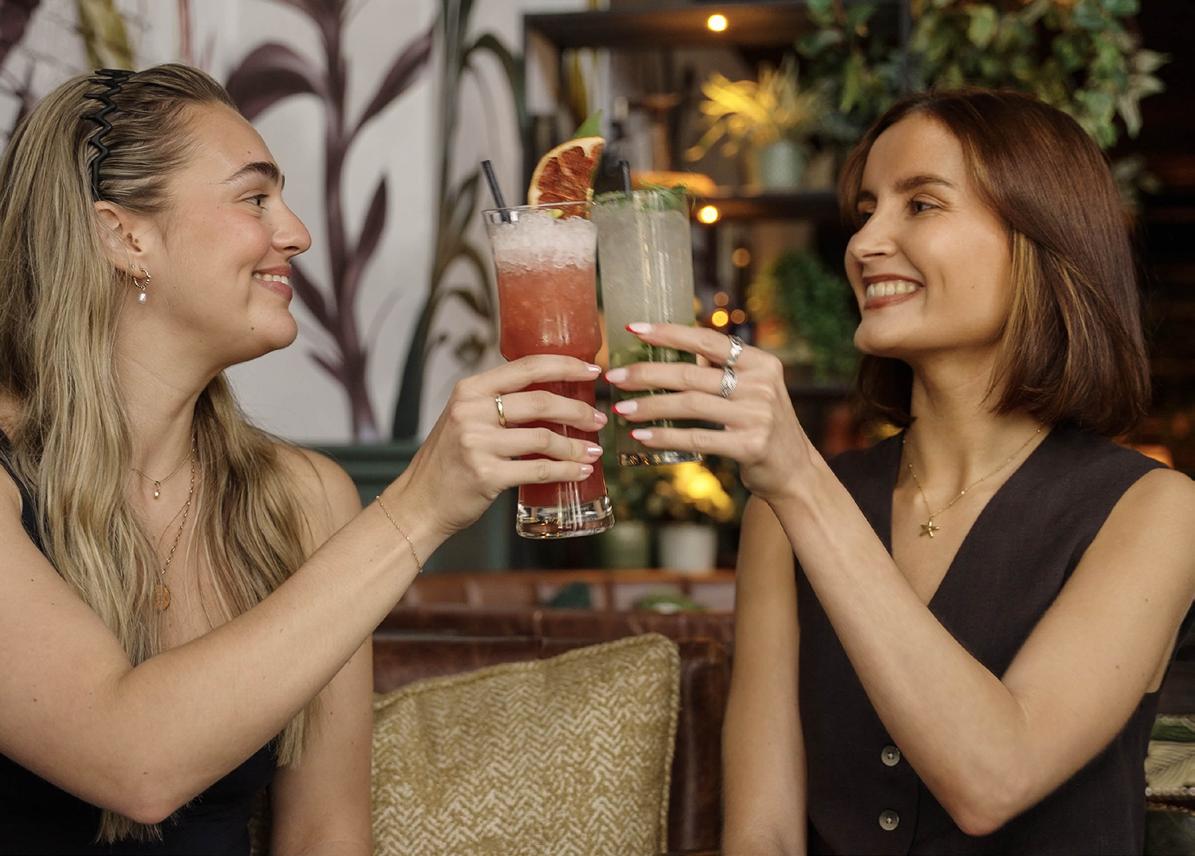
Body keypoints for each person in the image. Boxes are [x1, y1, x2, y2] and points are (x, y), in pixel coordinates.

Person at [0, 64, 605, 854]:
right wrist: (417, 508)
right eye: (254, 198)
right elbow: (133, 762)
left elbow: (325, 830)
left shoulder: (303, 499)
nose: (297, 234)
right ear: (124, 236)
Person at [605, 88, 1195, 854]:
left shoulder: (1155, 510)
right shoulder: (779, 515)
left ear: (1040, 241)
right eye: (865, 210)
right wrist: (795, 488)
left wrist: (798, 477)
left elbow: (995, 776)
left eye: (920, 204)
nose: (863, 243)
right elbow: (764, 834)